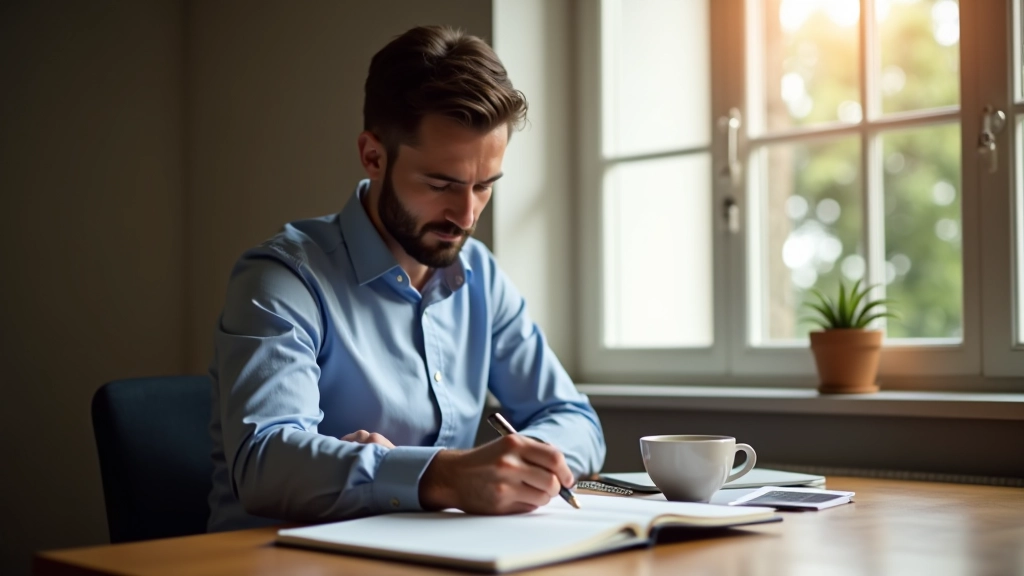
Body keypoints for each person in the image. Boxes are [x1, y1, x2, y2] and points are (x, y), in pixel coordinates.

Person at [206, 25, 606, 532]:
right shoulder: (282, 280)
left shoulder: (480, 275)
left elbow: (576, 419)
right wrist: (441, 475)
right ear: (373, 156)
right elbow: (263, 463)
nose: (466, 215)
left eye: (484, 186)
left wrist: (523, 464)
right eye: (441, 184)